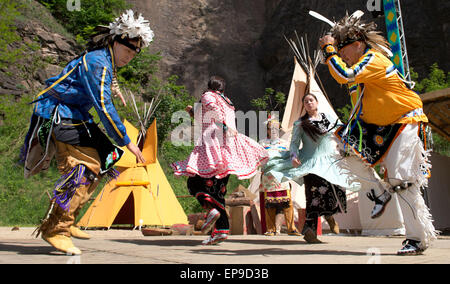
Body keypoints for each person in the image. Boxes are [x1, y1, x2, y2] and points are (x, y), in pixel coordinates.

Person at [22, 10, 153, 255]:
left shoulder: (105, 60)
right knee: (84, 167)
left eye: (134, 53)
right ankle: (56, 228)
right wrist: (127, 141)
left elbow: (109, 76)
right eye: (127, 51)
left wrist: (116, 88)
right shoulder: (97, 62)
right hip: (59, 114)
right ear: (115, 42)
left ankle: (68, 220)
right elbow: (103, 106)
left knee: (107, 159)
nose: (129, 57)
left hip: (76, 115)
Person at [319, 12, 437, 254]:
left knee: (402, 179)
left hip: (404, 119)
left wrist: (330, 49)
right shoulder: (358, 70)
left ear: (358, 44)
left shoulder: (373, 60)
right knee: (343, 149)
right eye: (339, 53)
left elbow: (343, 74)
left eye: (344, 51)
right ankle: (379, 191)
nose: (342, 56)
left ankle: (417, 237)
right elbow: (345, 78)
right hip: (375, 126)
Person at [171, 76, 268, 245]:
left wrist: (223, 126)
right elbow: (208, 118)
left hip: (213, 144)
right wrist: (193, 113)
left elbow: (214, 116)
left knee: (195, 183)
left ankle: (211, 211)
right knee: (218, 190)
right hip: (228, 147)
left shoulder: (208, 96)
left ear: (210, 86)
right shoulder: (227, 101)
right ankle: (221, 231)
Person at [262, 94, 356, 243]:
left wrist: (347, 147)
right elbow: (294, 143)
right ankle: (310, 230)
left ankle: (329, 216)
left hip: (329, 161)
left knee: (335, 191)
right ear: (303, 105)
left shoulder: (329, 119)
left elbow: (341, 133)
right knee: (313, 195)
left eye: (311, 100)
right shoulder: (300, 123)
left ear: (317, 102)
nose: (309, 103)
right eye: (305, 101)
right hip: (310, 162)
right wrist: (293, 156)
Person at [258, 117, 301, 236]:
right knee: (269, 203)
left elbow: (290, 157)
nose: (273, 131)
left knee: (287, 202)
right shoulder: (262, 143)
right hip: (268, 176)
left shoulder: (285, 144)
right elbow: (259, 158)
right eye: (270, 129)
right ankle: (271, 229)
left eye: (276, 129)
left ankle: (291, 228)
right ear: (267, 130)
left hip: (282, 176)